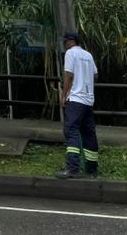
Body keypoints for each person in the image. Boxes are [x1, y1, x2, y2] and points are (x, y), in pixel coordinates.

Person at [55, 32, 99, 179]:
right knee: (88, 133)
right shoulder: (88, 55)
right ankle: (92, 169)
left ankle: (73, 168)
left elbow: (68, 75)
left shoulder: (70, 53)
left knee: (71, 130)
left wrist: (63, 95)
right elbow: (95, 75)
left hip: (75, 99)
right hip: (88, 101)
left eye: (65, 41)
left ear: (69, 42)